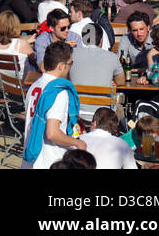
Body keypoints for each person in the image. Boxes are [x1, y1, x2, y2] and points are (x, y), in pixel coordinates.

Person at [23, 41, 84, 169]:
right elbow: (52, 133)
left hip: (31, 159)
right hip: (50, 159)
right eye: (70, 64)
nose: (70, 67)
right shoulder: (59, 92)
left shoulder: (35, 85)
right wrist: (77, 143)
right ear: (61, 66)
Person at [69, 24, 126, 110]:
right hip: (104, 115)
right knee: (121, 109)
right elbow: (121, 81)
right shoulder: (112, 57)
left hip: (77, 113)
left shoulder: (71, 54)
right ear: (101, 40)